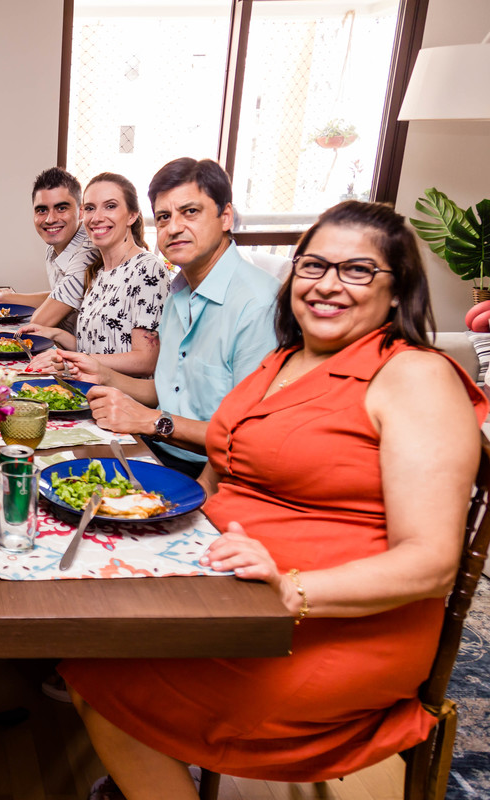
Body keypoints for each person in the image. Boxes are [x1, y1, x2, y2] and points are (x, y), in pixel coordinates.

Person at [60, 200, 488, 799]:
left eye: (357, 270)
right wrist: (162, 521)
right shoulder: (284, 360)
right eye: (313, 266)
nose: (327, 285)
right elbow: (223, 466)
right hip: (228, 595)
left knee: (99, 674)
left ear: (397, 291)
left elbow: (432, 563)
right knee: (86, 631)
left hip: (329, 627)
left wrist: (292, 587)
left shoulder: (415, 376)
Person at [55, 158, 279, 476]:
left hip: (214, 472)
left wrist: (151, 421)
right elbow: (167, 391)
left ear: (226, 216)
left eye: (190, 212)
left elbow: (250, 439)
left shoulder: (259, 304)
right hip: (158, 449)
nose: (173, 228)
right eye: (163, 217)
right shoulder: (178, 294)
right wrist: (103, 375)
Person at [20, 172, 169, 378]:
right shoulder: (97, 271)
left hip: (121, 395)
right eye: (90, 208)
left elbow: (146, 361)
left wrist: (71, 359)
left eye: (110, 206)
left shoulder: (147, 268)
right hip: (88, 386)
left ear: (132, 215)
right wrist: (56, 334)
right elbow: (94, 346)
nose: (97, 218)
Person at [0, 167, 96, 334]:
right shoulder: (52, 248)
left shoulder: (88, 250)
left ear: (81, 211)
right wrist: (1, 298)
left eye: (61, 208)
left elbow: (41, 321)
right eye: (42, 210)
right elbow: (58, 297)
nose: (50, 219)